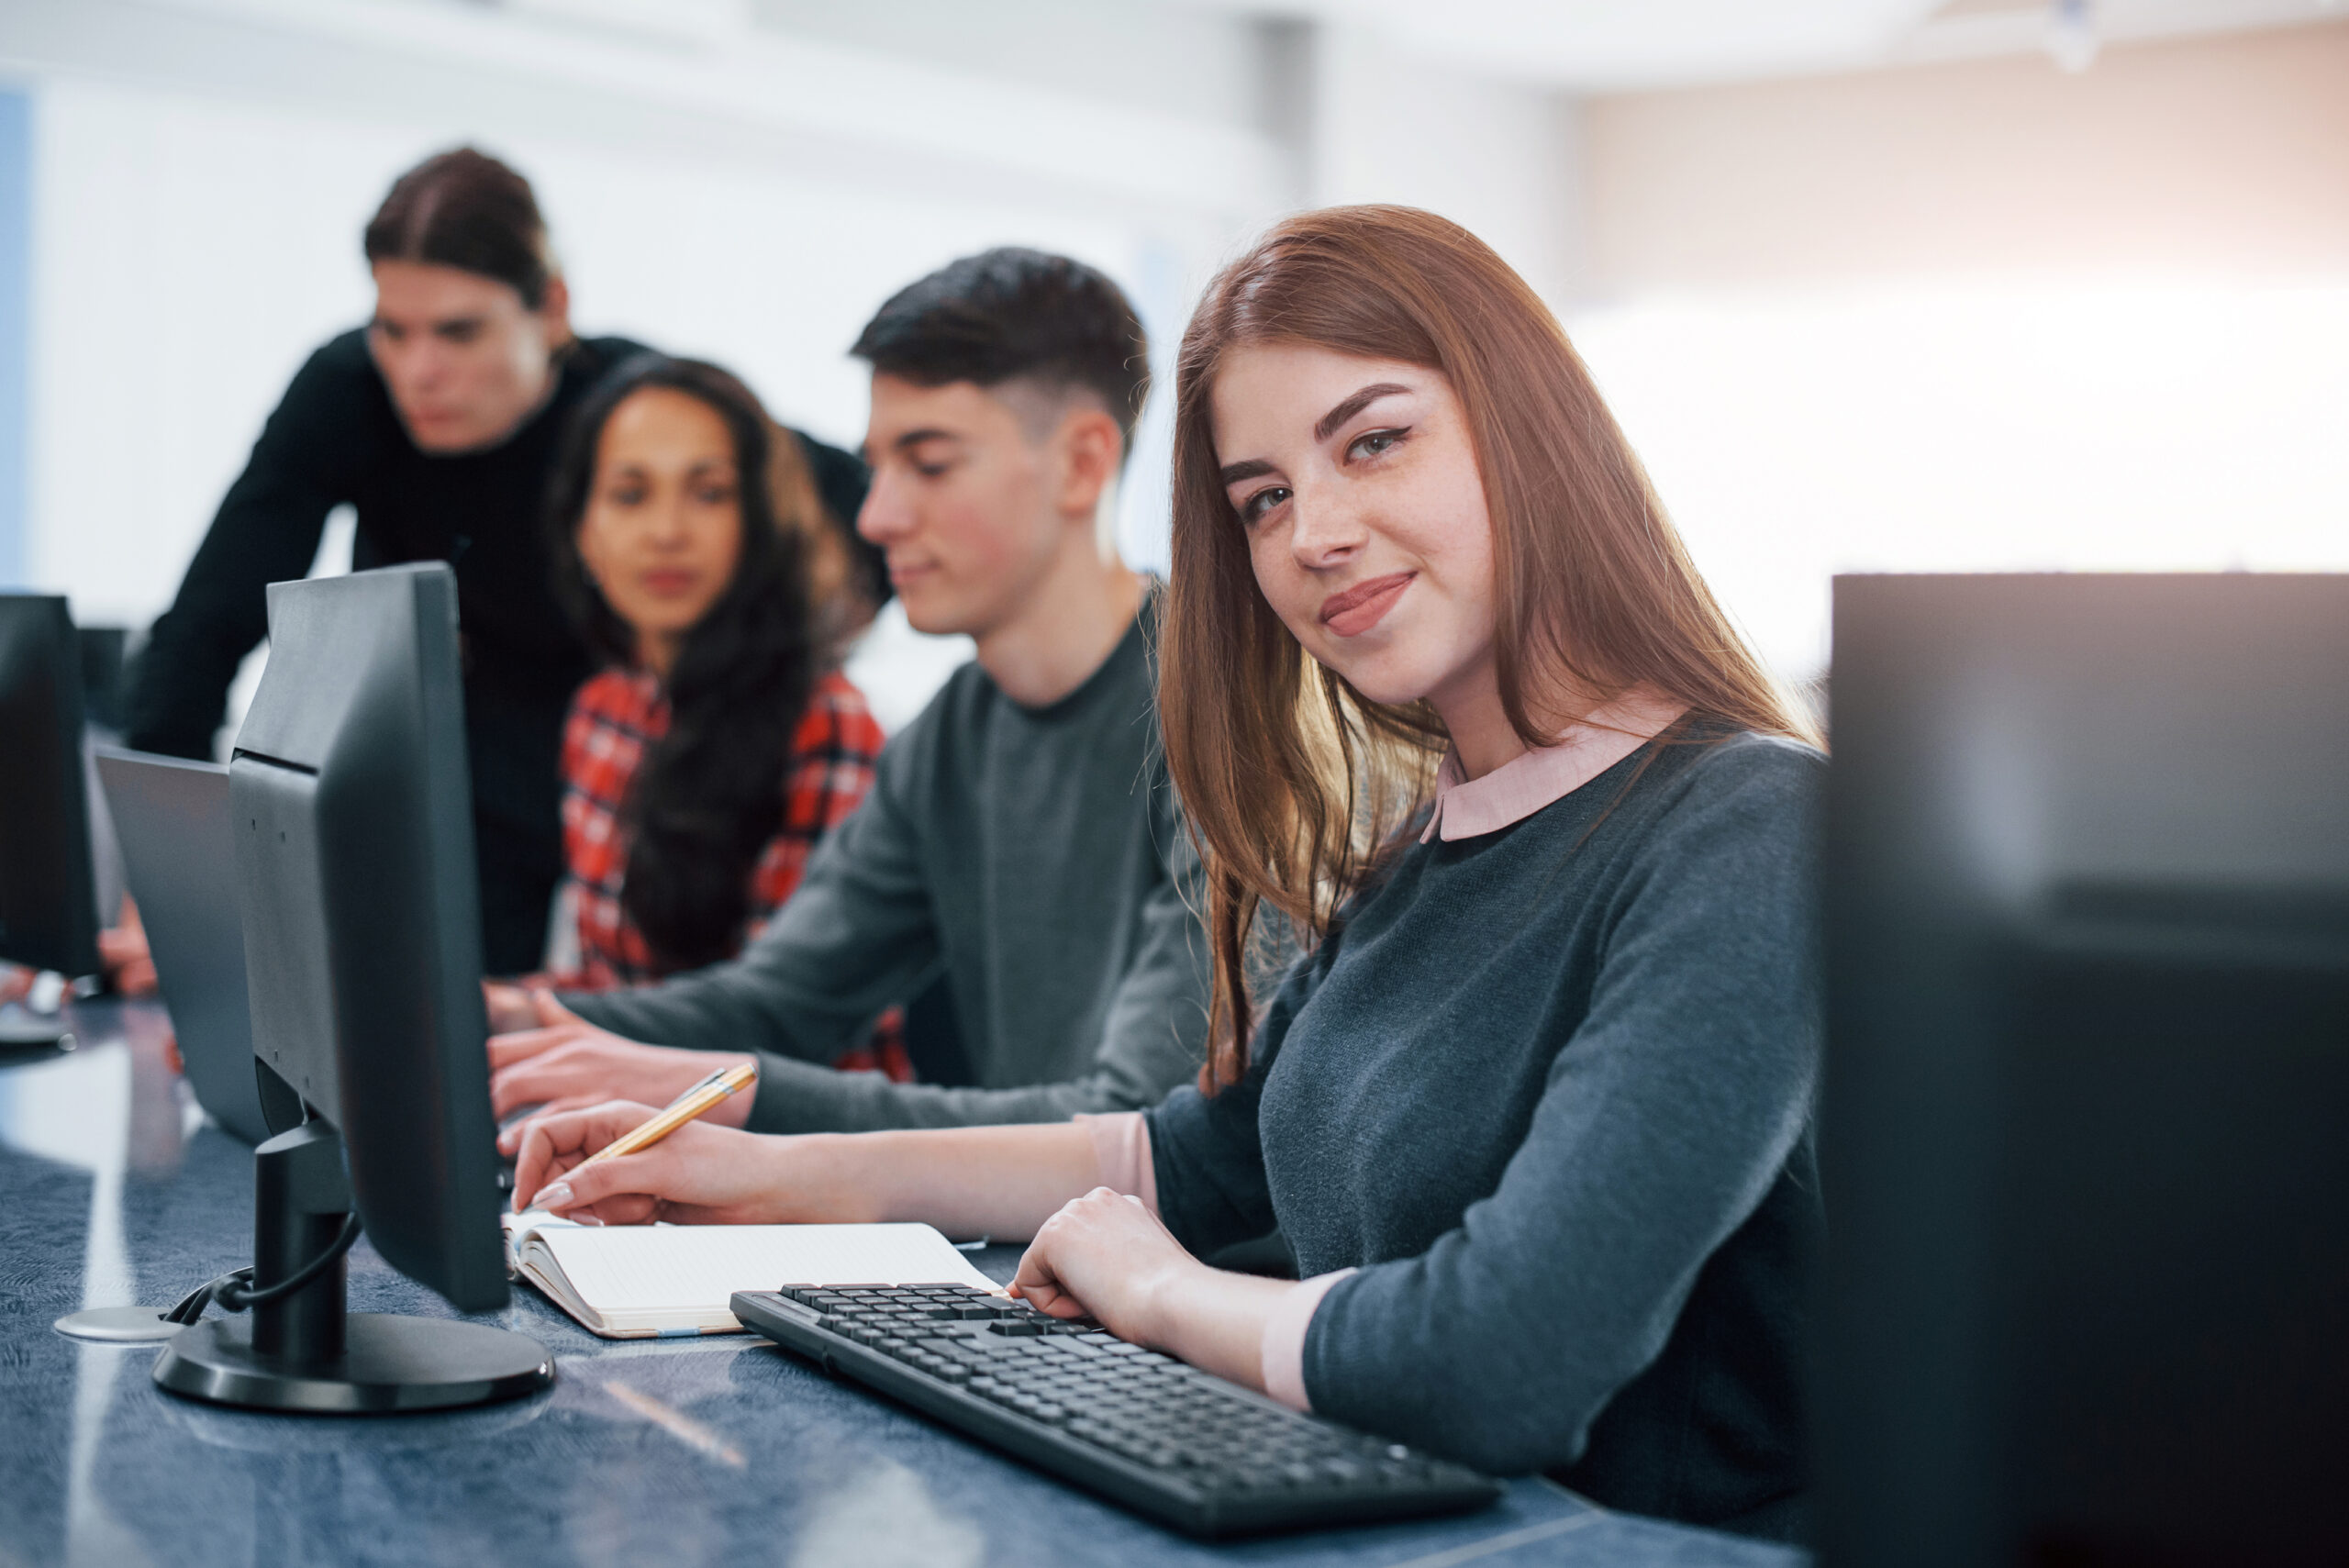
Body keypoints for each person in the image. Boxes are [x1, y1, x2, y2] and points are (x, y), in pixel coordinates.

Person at [507, 207, 1827, 1540]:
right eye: (1263, 498)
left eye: (1374, 441)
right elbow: (1187, 1159)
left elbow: (1502, 1359)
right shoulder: (1425, 852)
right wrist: (776, 1176)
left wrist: (1157, 1297)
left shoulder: (1749, 825)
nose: (1314, 532)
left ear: (1534, 431)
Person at [484, 249, 1209, 1135]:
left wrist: (732, 1097)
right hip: (1041, 1249)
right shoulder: (953, 734)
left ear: (1082, 463)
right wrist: (495, 1023)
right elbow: (780, 1001)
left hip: (1177, 1260)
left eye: (930, 464)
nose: (875, 516)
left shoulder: (1219, 715)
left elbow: (1139, 1129)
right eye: (878, 466)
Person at [118, 147, 877, 973]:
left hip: (634, 746)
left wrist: (767, 669)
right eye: (393, 330)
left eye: (459, 331)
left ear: (551, 311)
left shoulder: (628, 401)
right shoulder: (346, 390)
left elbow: (865, 513)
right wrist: (167, 892)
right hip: (455, 755)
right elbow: (205, 626)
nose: (419, 372)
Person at [529, 351, 906, 1078]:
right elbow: (609, 989)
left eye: (709, 493)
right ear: (583, 531)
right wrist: (476, 1005)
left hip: (796, 1148)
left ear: (761, 518)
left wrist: (529, 1027)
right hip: (622, 1110)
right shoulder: (601, 713)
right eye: (631, 495)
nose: (667, 531)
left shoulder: (829, 725)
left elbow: (786, 1024)